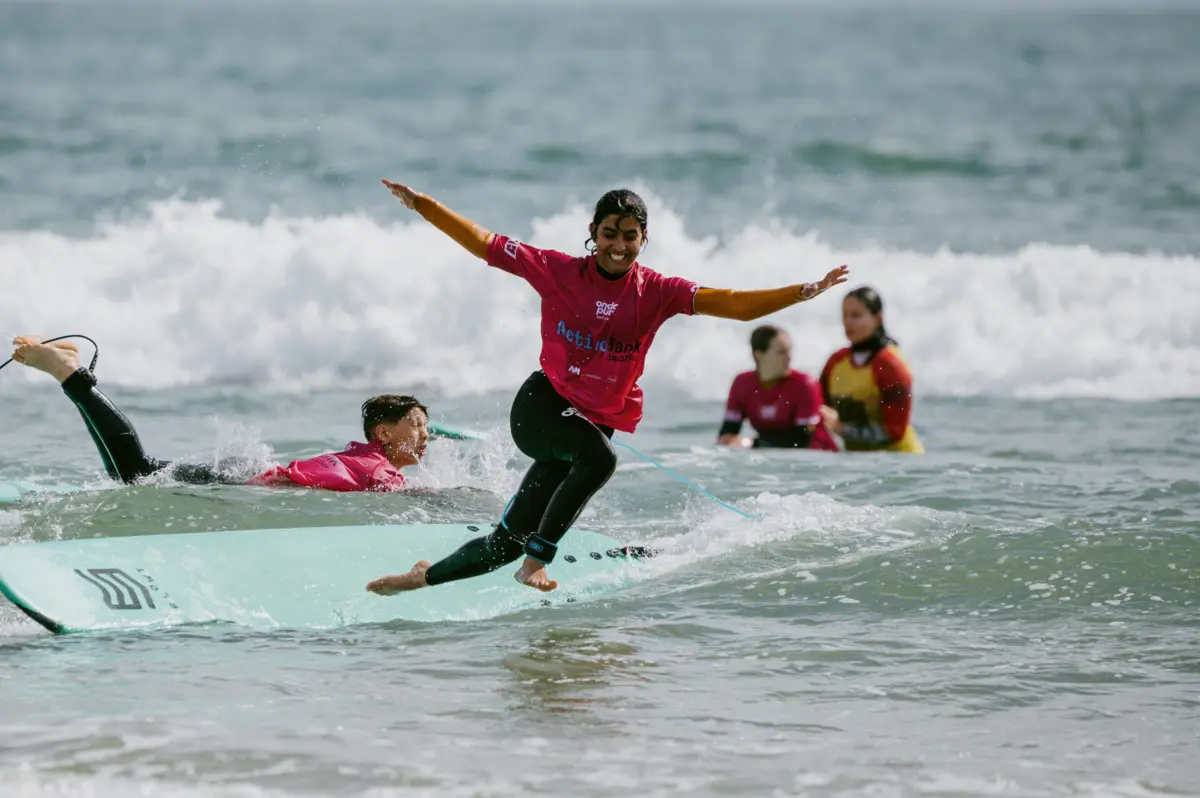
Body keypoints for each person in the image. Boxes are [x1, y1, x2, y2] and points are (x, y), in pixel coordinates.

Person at [366, 181, 849, 596]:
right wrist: (424, 205)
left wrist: (799, 292)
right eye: (609, 234)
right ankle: (537, 562)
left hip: (588, 425)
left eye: (630, 236)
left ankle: (422, 578)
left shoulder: (657, 291)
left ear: (644, 239)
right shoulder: (558, 270)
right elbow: (485, 242)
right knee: (600, 460)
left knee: (502, 545)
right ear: (593, 235)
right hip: (541, 409)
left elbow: (735, 305)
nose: (619, 245)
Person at [8, 336, 429, 490]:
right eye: (417, 425)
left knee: (131, 475)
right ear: (384, 433)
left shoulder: (367, 458)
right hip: (243, 478)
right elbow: (398, 494)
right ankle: (69, 373)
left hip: (245, 474)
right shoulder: (377, 470)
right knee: (136, 473)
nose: (425, 436)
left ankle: (71, 370)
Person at [817, 287, 924, 454]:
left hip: (900, 461)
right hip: (857, 461)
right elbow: (818, 410)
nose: (848, 322)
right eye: (845, 315)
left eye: (856, 316)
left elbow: (894, 432)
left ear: (878, 318)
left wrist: (843, 429)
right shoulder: (835, 362)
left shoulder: (891, 365)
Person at [717, 324, 839, 451]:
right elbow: (727, 433)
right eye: (781, 352)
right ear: (758, 355)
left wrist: (750, 443)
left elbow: (801, 441)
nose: (789, 357)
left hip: (820, 460)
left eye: (789, 350)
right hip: (772, 458)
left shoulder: (805, 384)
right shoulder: (742, 384)